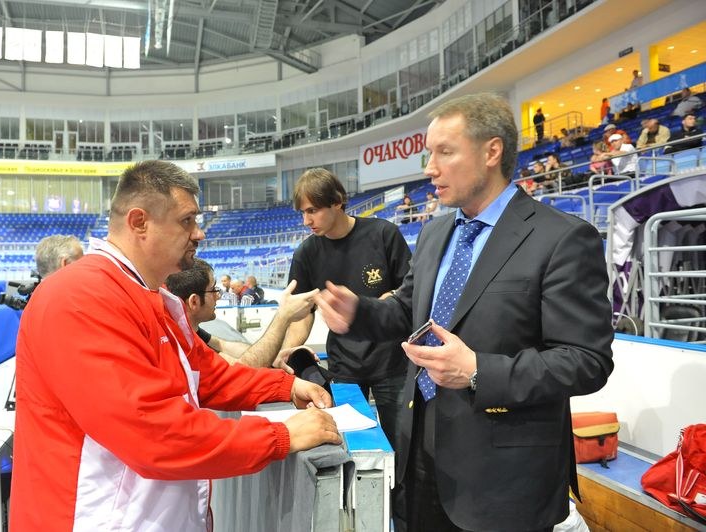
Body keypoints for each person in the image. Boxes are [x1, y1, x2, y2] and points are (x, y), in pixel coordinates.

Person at [314, 93, 614, 532]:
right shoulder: (436, 231)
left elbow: (587, 362)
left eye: (444, 152)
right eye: (429, 153)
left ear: (492, 151)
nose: (429, 168)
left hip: (504, 482)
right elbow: (407, 313)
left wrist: (478, 371)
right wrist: (358, 313)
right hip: (420, 456)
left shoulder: (563, 238)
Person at [9, 160, 342, 531]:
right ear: (139, 223)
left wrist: (285, 386)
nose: (199, 234)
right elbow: (150, 432)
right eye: (187, 221)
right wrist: (280, 436)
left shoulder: (143, 293)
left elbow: (206, 374)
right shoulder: (79, 297)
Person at [283, 167, 412, 446]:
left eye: (313, 210)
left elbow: (409, 292)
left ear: (337, 201)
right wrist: (289, 345)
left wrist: (374, 306)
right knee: (350, 447)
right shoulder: (306, 253)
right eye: (302, 213)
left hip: (393, 364)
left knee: (402, 447)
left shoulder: (383, 234)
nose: (307, 221)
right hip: (344, 368)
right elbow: (303, 313)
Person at [165, 258, 314, 372]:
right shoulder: (180, 343)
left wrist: (275, 356)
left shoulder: (190, 330)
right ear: (194, 302)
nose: (218, 296)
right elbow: (244, 367)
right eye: (213, 290)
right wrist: (283, 317)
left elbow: (223, 345)